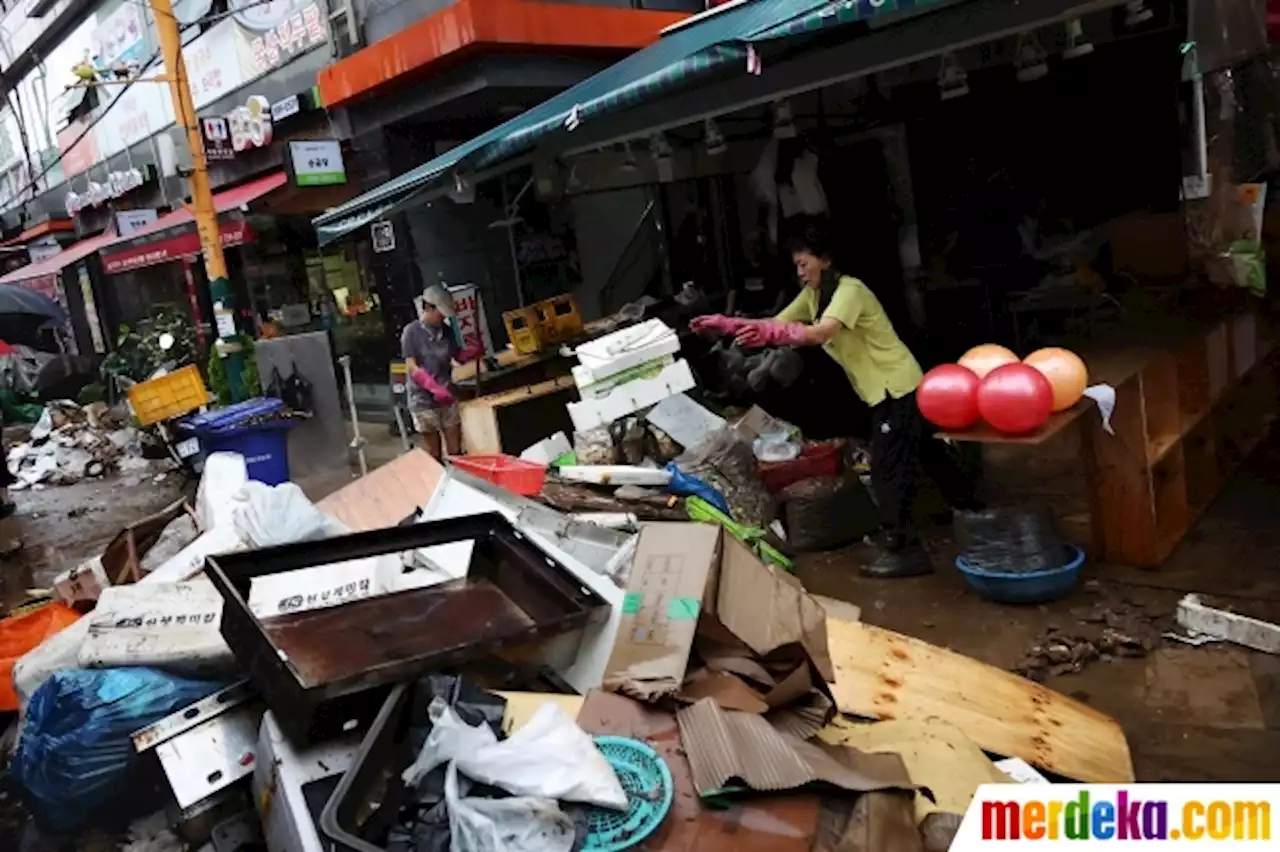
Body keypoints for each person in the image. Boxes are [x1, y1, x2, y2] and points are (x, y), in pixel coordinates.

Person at [691, 222, 977, 577]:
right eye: (796, 265)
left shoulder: (849, 291)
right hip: (883, 390)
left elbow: (821, 332)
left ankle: (904, 549)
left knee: (887, 467)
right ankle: (973, 508)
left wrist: (770, 332)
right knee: (923, 450)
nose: (799, 271)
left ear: (824, 259)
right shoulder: (813, 296)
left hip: (896, 386)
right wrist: (728, 325)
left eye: (803, 263)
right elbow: (778, 323)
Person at [401, 285, 483, 460]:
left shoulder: (446, 331)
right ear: (428, 308)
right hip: (422, 400)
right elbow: (412, 366)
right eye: (440, 312)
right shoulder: (411, 332)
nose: (443, 317)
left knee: (456, 451)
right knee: (434, 453)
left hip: (448, 397)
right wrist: (432, 387)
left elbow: (457, 356)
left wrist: (471, 351)